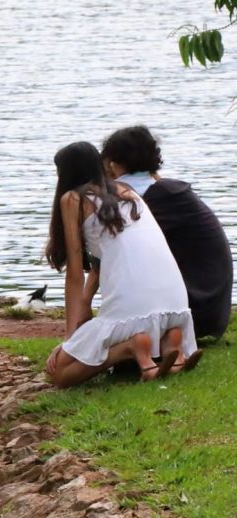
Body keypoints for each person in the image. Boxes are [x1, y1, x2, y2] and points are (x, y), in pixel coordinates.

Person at [44, 141, 200, 388]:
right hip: (177, 306)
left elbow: (75, 275)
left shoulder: (73, 199)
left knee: (60, 375)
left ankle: (129, 348)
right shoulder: (127, 190)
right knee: (136, 327)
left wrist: (69, 339)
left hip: (133, 309)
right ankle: (172, 342)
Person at [101, 125, 232, 339]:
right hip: (208, 308)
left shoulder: (153, 198)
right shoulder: (164, 191)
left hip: (195, 311)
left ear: (113, 164)